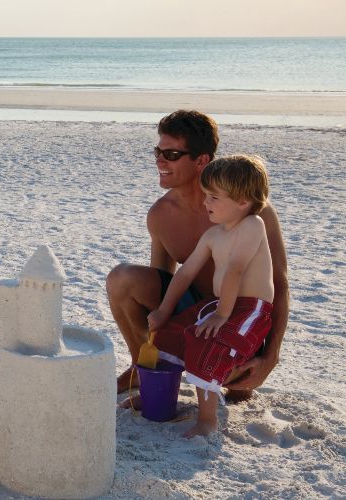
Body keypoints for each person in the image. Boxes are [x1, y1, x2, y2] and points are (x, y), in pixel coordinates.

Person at [106, 110, 288, 402]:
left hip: (238, 320)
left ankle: (226, 368)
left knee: (235, 385)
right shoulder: (161, 214)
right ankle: (144, 366)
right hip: (196, 315)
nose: (160, 160)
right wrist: (162, 333)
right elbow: (163, 283)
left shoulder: (252, 212)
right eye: (158, 151)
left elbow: (279, 282)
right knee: (122, 279)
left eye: (171, 153)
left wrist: (270, 356)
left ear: (202, 160)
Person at [146, 155, 274, 437]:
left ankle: (207, 420)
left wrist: (223, 314)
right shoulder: (213, 235)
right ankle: (157, 398)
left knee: (209, 345)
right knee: (170, 333)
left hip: (249, 309)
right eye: (206, 196)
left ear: (242, 201)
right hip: (220, 305)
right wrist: (165, 310)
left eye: (214, 197)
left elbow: (236, 270)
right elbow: (184, 274)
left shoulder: (253, 225)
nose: (206, 203)